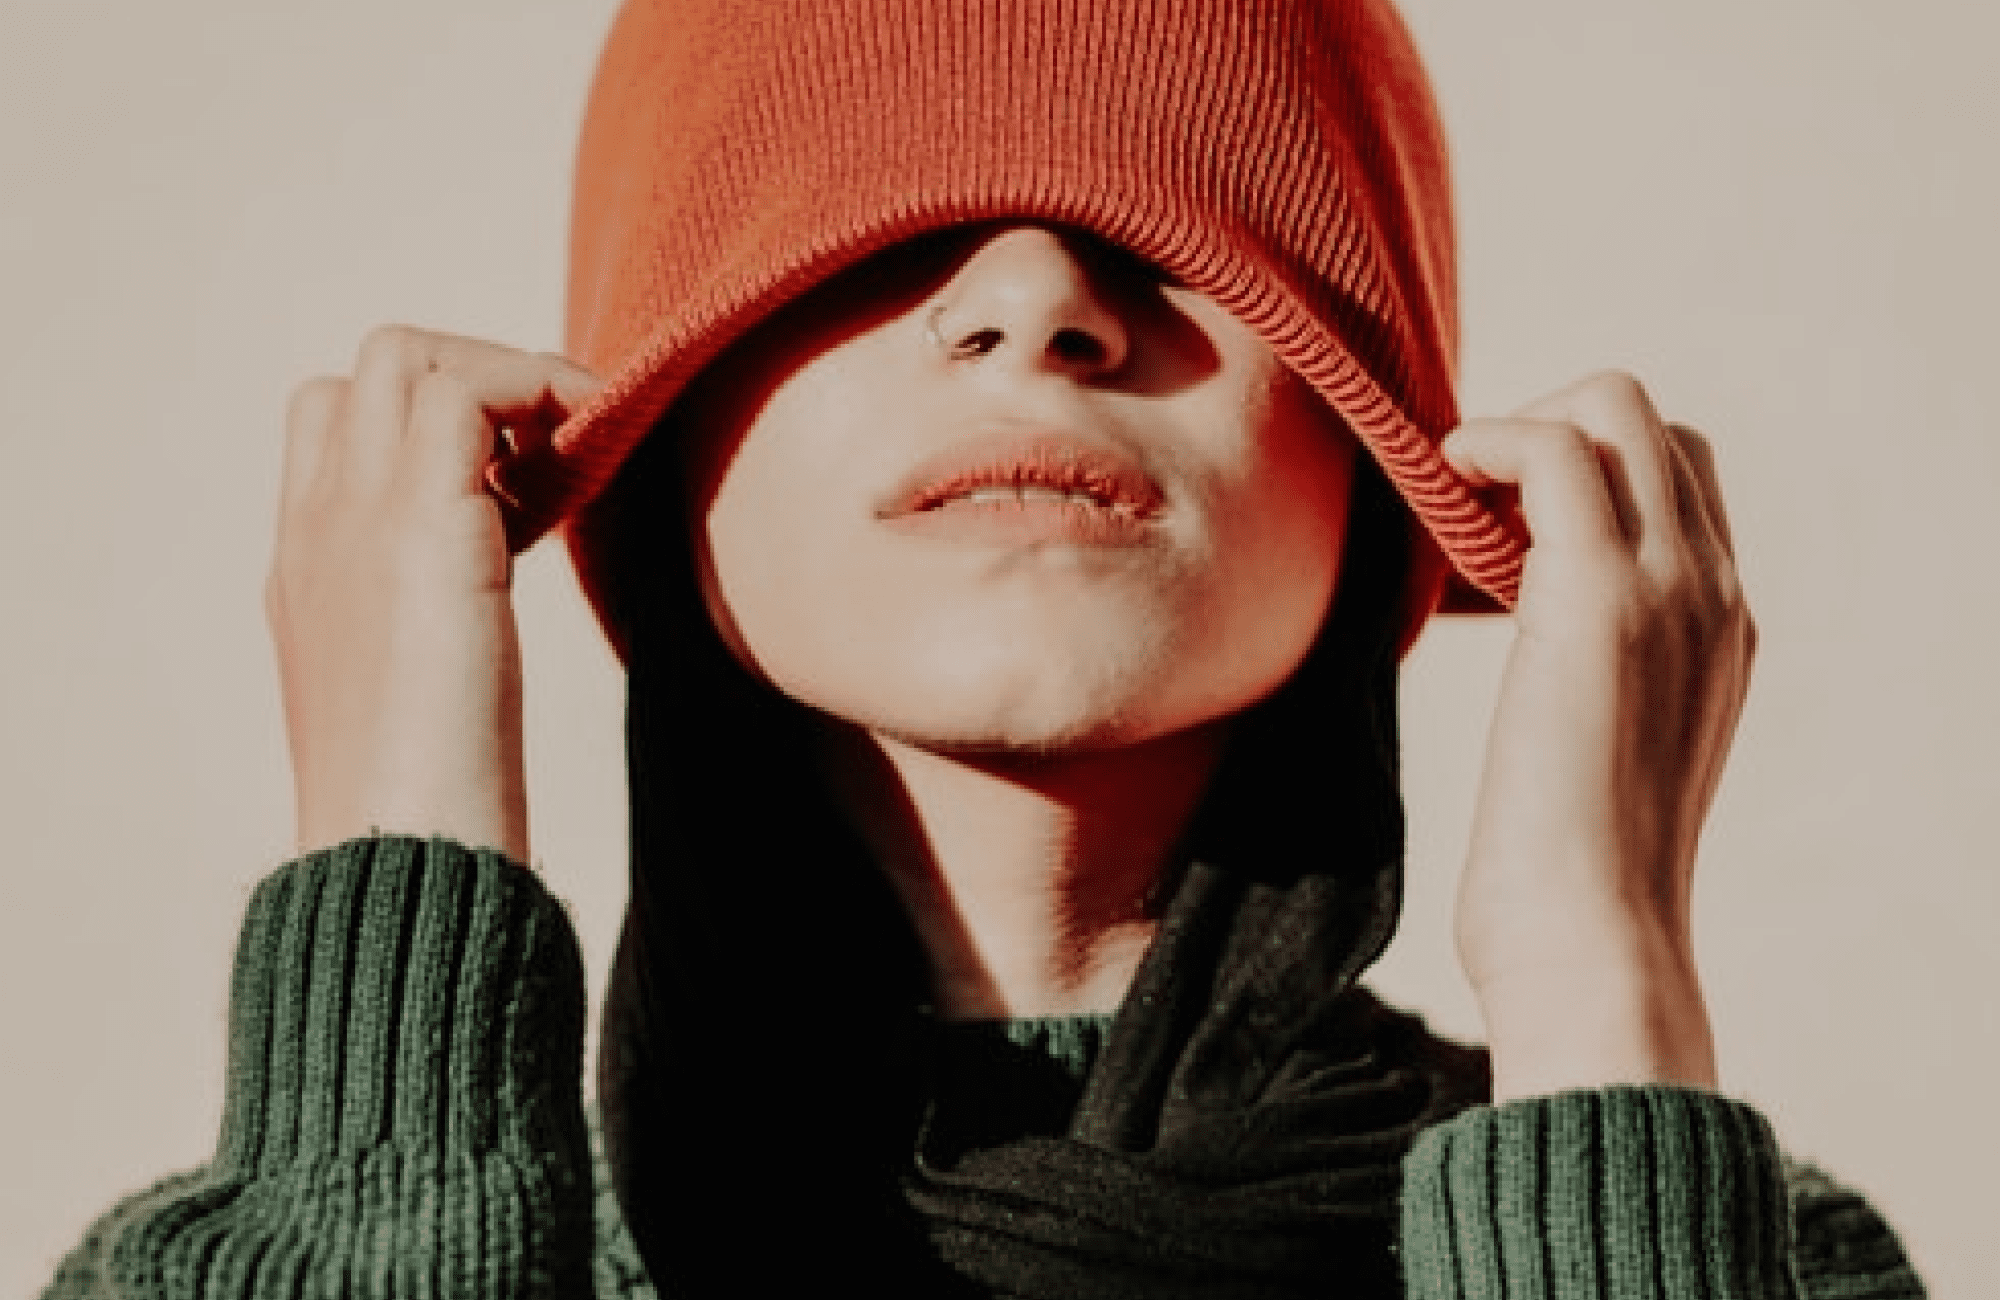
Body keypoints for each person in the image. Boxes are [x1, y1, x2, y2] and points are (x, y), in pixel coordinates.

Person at [43, 1, 1928, 1297]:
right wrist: (395, 880)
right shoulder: (249, 1252)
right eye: (870, 234)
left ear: (1380, 463)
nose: (1032, 302)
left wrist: (1600, 980)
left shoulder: (1768, 1257)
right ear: (658, 430)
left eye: (1177, 228)